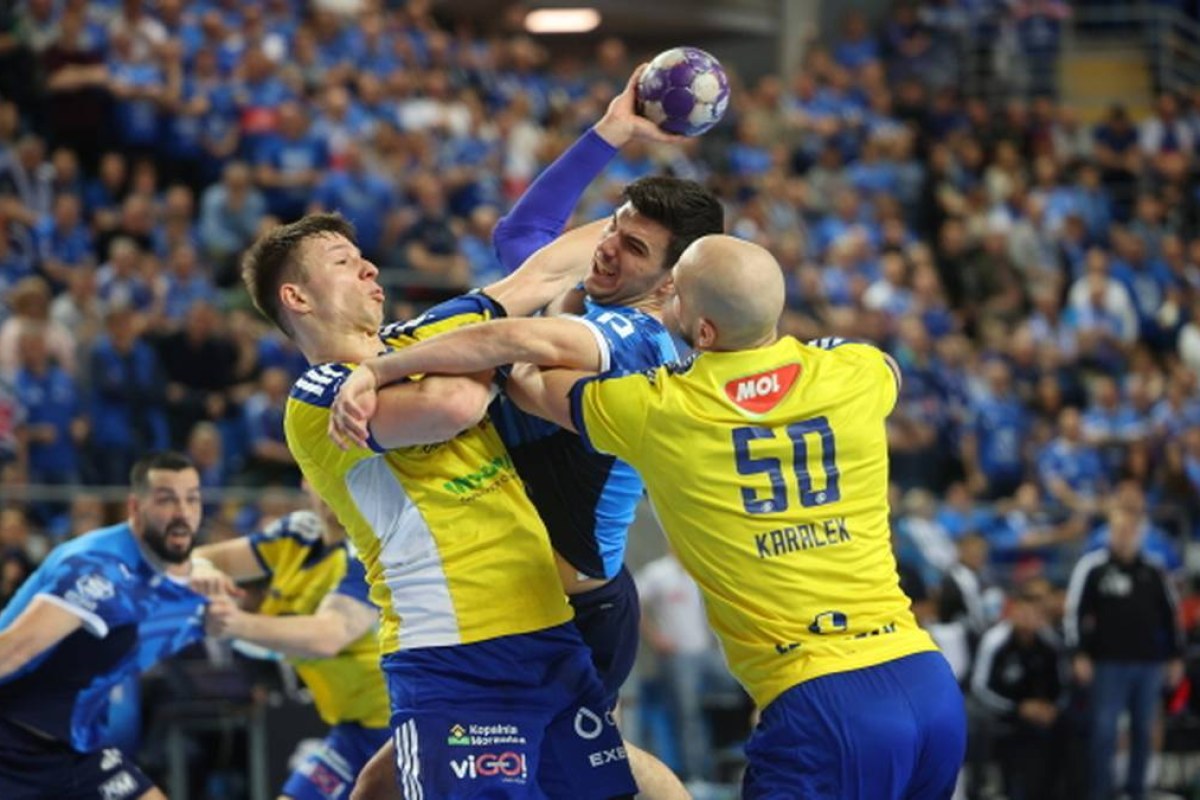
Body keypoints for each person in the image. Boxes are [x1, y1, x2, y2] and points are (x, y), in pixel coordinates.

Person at [335, 235, 967, 798]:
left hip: (820, 698)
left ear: (704, 331)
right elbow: (884, 367)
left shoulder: (665, 409)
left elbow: (527, 377)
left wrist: (382, 368)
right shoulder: (853, 374)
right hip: (925, 679)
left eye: (677, 299)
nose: (665, 305)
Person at [327, 65, 721, 800]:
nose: (610, 250)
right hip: (512, 597)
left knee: (586, 776)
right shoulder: (582, 304)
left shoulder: (642, 343)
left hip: (577, 611)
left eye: (634, 251)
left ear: (670, 284)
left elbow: (510, 339)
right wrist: (612, 134)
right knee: (391, 777)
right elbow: (526, 235)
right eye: (614, 230)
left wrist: (379, 366)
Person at [240, 210, 637, 799]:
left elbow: (539, 277)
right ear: (297, 297)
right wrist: (495, 344)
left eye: (362, 254)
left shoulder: (418, 341)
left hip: (551, 636)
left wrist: (637, 211)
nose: (369, 266)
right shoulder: (318, 395)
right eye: (343, 263)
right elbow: (452, 405)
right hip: (457, 655)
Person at [0, 451, 210, 800]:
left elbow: (222, 561)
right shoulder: (97, 566)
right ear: (135, 507)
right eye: (167, 500)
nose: (183, 513)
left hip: (78, 752)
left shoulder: (160, 564)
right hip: (11, 745)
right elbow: (14, 648)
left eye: (192, 499)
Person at [194, 491, 390, 800]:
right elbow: (202, 557)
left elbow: (327, 636)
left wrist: (233, 623)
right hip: (354, 730)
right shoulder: (297, 533)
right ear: (306, 480)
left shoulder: (372, 547)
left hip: (400, 729)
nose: (337, 485)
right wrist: (204, 572)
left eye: (346, 474)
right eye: (323, 472)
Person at [1065, 504, 1184, 800]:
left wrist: (1175, 657)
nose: (1125, 536)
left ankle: (1136, 790)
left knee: (1144, 731)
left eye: (1131, 530)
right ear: (1109, 533)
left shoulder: (1154, 569)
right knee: (1104, 731)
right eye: (1119, 530)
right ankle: (1101, 792)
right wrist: (1078, 652)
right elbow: (1074, 612)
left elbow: (1172, 616)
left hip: (1149, 664)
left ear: (1140, 534)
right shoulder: (1093, 567)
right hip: (1107, 663)